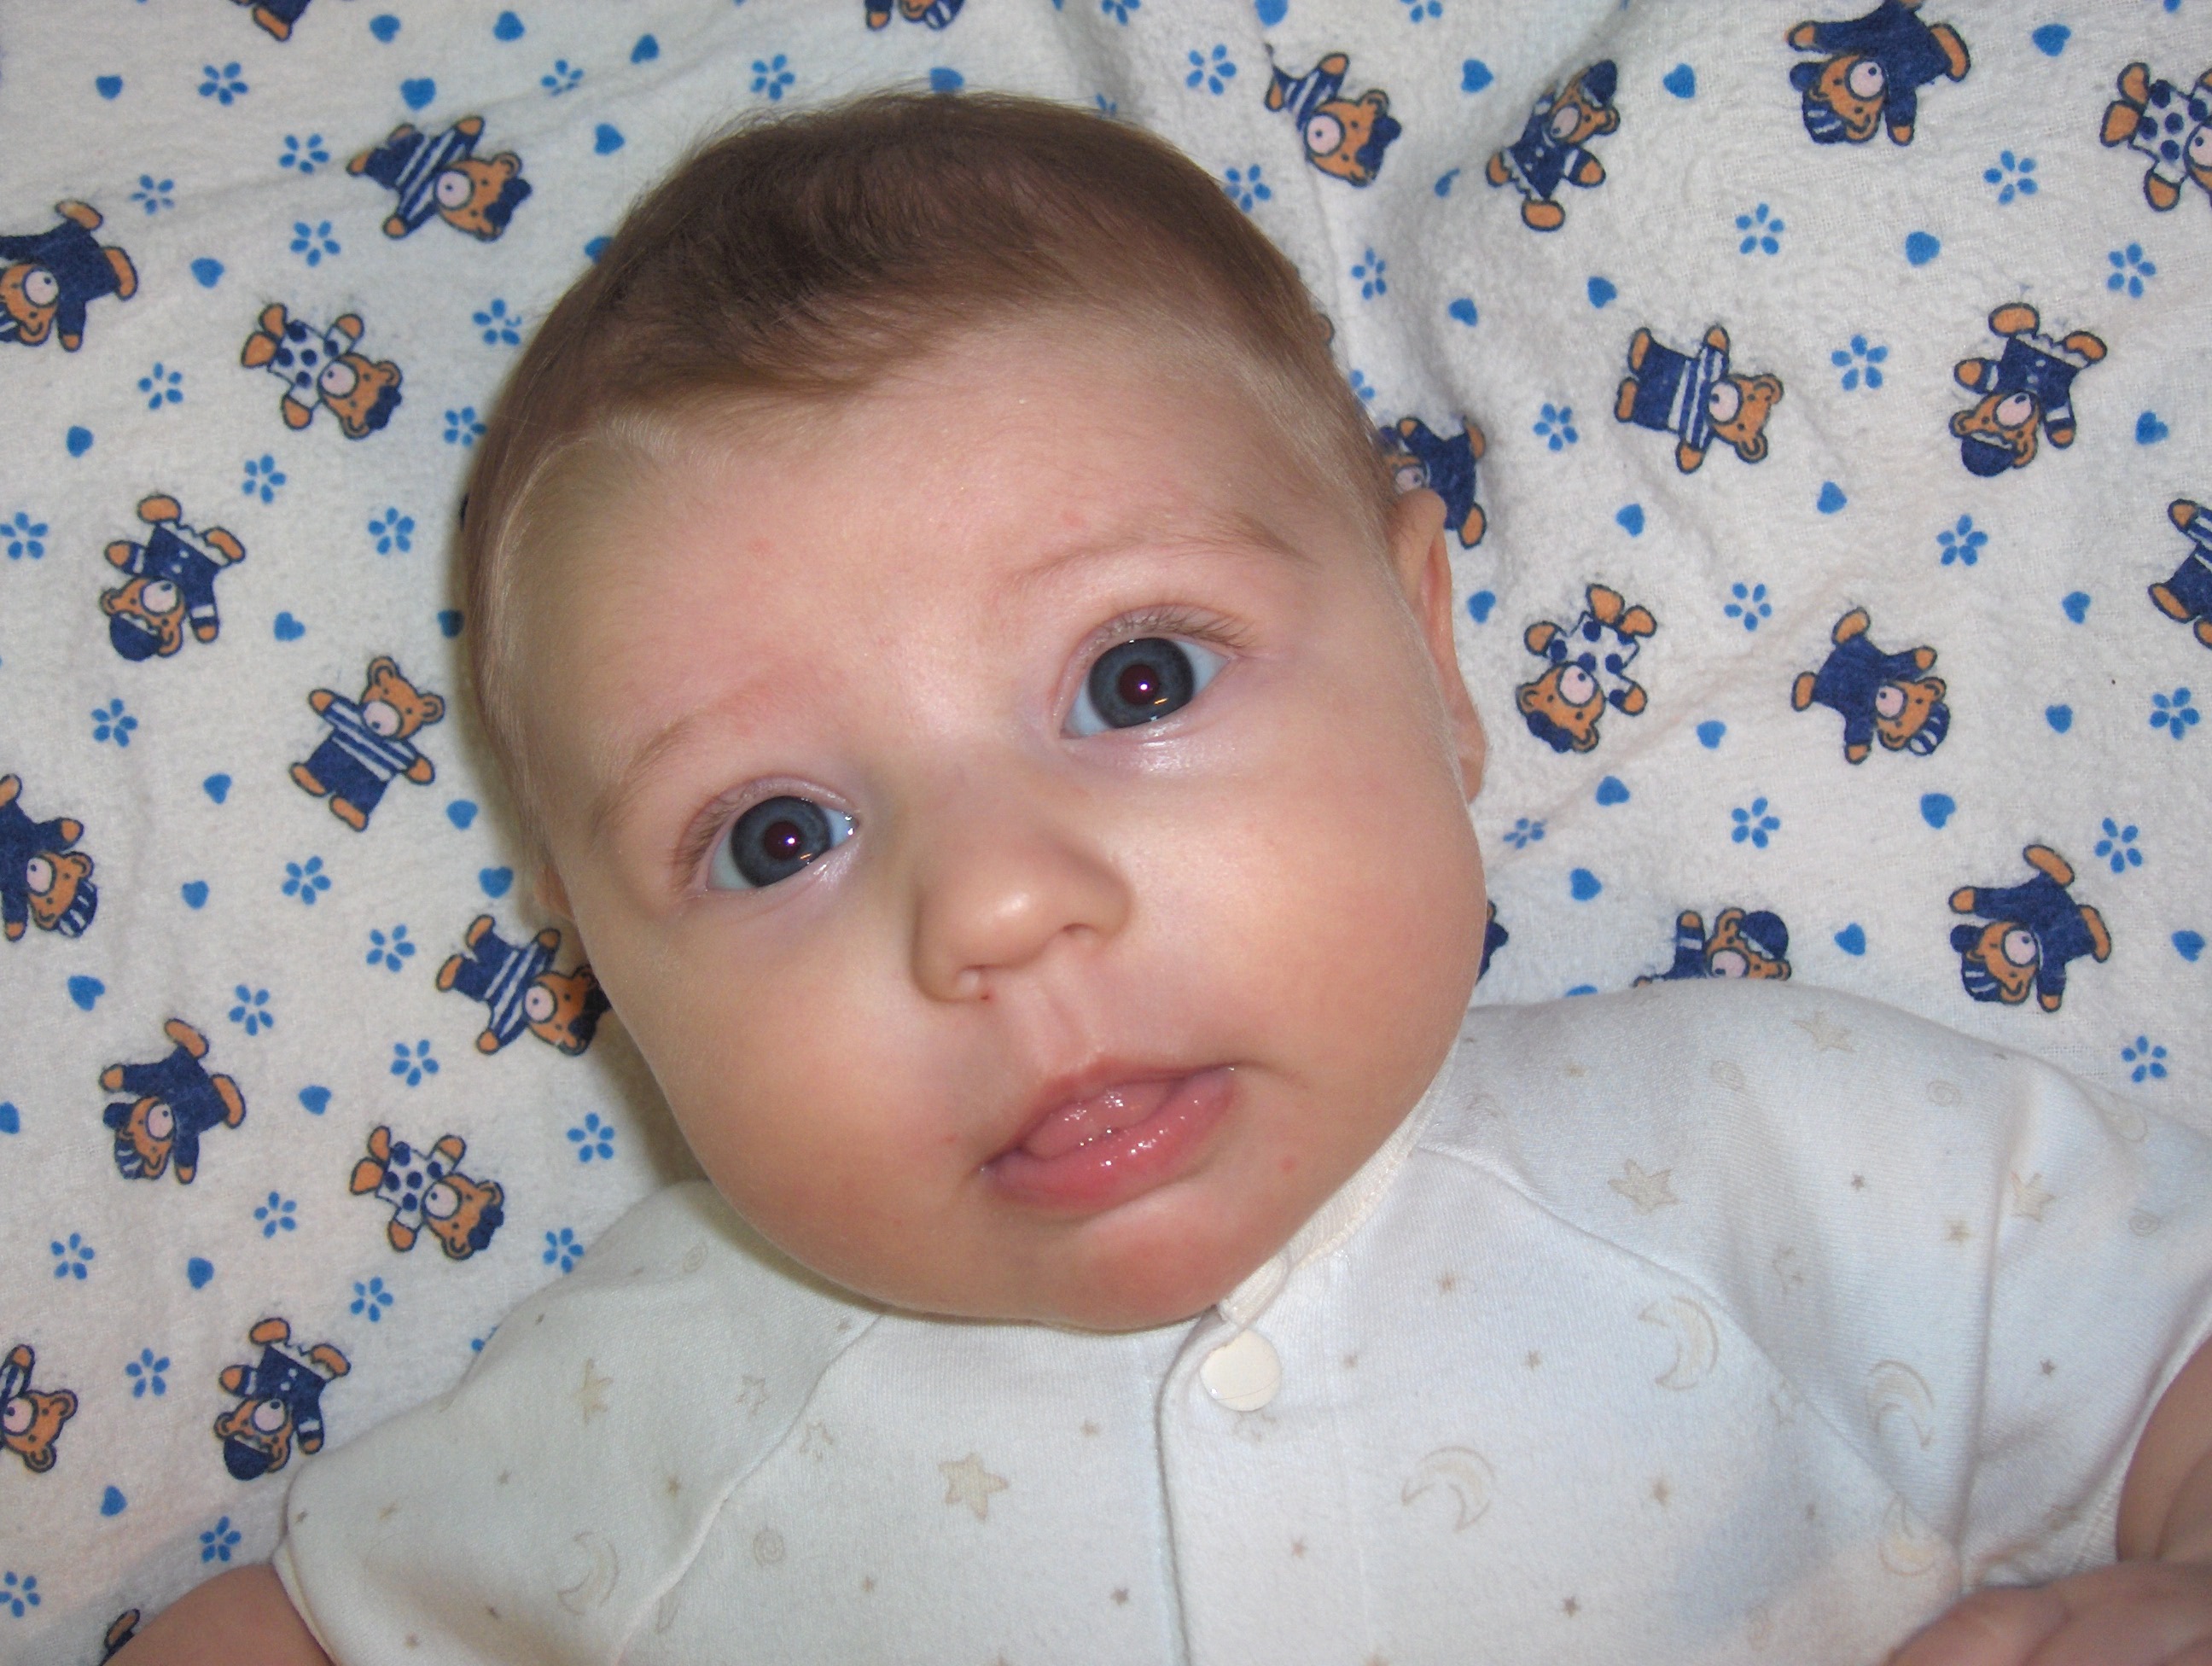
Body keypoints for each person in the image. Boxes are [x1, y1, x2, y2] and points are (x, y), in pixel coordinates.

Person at [118, 90, 2212, 1666]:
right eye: (776, 836)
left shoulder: (1768, 1150)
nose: (996, 907)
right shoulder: (656, 1395)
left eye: (1137, 678)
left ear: (1432, 661)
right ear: (603, 976)